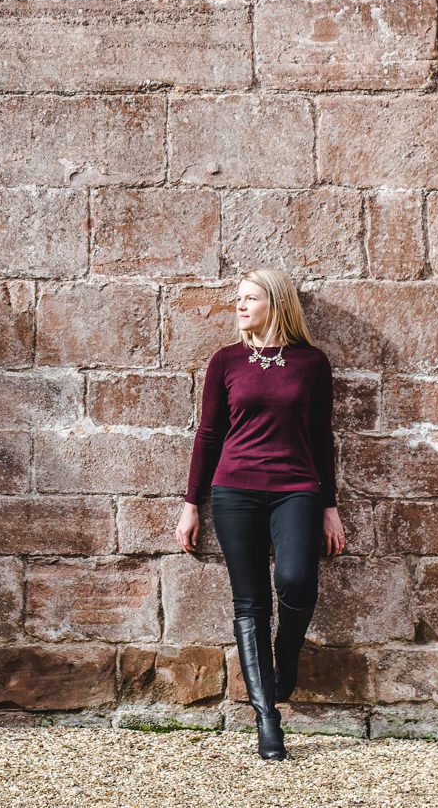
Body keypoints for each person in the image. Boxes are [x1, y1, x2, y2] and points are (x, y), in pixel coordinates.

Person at [175, 268, 345, 761]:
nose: (240, 307)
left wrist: (329, 506)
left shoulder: (311, 362)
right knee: (250, 603)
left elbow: (320, 437)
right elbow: (208, 434)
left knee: (296, 581)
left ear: (277, 303)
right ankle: (267, 719)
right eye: (238, 300)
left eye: (250, 299)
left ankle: (285, 657)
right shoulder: (226, 361)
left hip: (296, 489)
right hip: (234, 491)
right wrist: (192, 504)